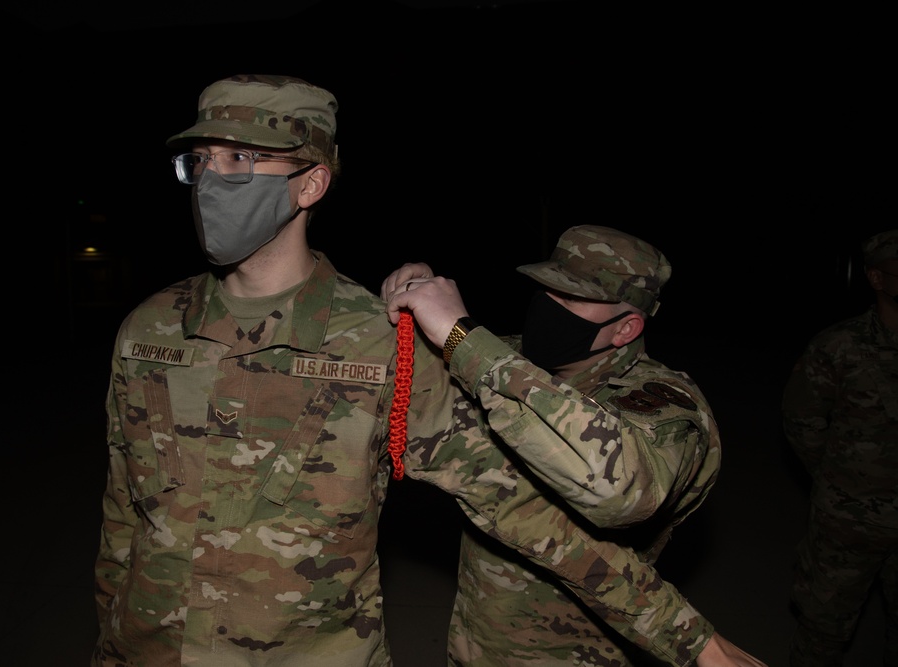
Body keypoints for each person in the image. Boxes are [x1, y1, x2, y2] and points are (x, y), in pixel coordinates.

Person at [92, 74, 762, 667]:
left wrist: (692, 641)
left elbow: (526, 513)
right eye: (200, 160)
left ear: (311, 181)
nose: (212, 179)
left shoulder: (381, 343)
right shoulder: (148, 329)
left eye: (240, 158)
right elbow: (125, 516)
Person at [381, 225, 767, 666]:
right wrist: (406, 306)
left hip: (572, 652)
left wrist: (461, 337)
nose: (548, 307)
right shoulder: (512, 358)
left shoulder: (662, 403)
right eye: (547, 290)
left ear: (625, 329)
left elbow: (621, 490)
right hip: (476, 640)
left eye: (570, 300)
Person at [782, 229, 897, 667]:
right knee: (823, 631)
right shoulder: (839, 345)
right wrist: (843, 481)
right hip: (848, 522)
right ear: (876, 278)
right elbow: (801, 422)